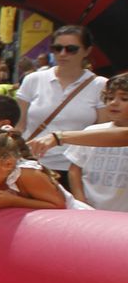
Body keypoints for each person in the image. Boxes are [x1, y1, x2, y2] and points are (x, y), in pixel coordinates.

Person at [16, 25, 106, 178]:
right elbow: (19, 125)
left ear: (87, 51)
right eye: (57, 48)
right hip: (33, 166)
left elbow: (102, 131)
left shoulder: (100, 85)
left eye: (71, 49)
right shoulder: (33, 79)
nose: (63, 54)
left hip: (77, 169)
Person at [50, 73, 128, 211]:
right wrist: (81, 201)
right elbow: (75, 169)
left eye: (124, 98)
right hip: (90, 211)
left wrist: (59, 137)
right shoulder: (91, 132)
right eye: (109, 98)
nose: (114, 102)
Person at [0, 126, 85, 211]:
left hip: (78, 223)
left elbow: (58, 205)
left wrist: (13, 201)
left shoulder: (27, 174)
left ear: (8, 164)